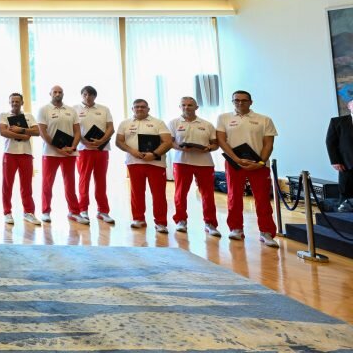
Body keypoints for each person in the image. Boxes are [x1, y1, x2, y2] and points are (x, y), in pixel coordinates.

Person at [216, 90, 279, 248]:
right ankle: (236, 228)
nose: (240, 103)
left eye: (244, 100)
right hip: (234, 164)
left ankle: (266, 232)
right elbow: (222, 141)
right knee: (234, 196)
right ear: (233, 102)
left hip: (258, 165)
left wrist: (260, 162)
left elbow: (268, 144)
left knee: (262, 199)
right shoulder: (223, 118)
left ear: (251, 102)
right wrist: (236, 159)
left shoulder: (264, 119)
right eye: (236, 100)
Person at [115, 99, 173, 233]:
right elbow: (119, 142)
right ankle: (138, 219)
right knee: (136, 192)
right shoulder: (125, 123)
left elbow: (168, 142)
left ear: (148, 109)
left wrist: (154, 154)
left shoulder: (158, 123)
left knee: (158, 194)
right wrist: (132, 151)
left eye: (142, 107)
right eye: (136, 107)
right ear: (132, 109)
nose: (139, 109)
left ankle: (161, 222)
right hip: (134, 162)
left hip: (156, 163)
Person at [170, 96, 220, 236]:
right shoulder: (173, 123)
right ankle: (181, 220)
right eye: (184, 105)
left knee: (208, 194)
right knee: (180, 193)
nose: (186, 107)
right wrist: (180, 148)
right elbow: (170, 142)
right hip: (182, 162)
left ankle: (210, 223)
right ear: (180, 107)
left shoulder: (207, 124)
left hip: (205, 163)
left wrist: (209, 148)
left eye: (190, 105)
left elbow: (215, 144)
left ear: (196, 107)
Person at [37, 85, 88, 224]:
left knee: (70, 183)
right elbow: (43, 132)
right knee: (47, 184)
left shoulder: (71, 110)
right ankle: (46, 211)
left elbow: (77, 131)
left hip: (69, 153)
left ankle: (74, 212)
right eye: (55, 92)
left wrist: (73, 147)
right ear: (50, 94)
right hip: (50, 153)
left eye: (60, 92)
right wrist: (57, 148)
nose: (57, 94)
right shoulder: (43, 110)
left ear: (63, 94)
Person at [0, 92, 41, 226]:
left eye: (17, 101)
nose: (15, 103)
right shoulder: (4, 115)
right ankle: (7, 212)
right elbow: (3, 132)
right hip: (9, 154)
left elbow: (37, 132)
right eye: (12, 101)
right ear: (9, 102)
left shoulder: (29, 116)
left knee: (26, 185)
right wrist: (25, 135)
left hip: (26, 154)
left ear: (22, 103)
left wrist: (20, 129)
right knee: (7, 184)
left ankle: (28, 212)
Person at [75, 86, 116, 224]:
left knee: (101, 180)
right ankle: (83, 209)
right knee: (84, 180)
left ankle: (103, 211)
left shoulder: (104, 109)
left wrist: (102, 140)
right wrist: (83, 141)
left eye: (91, 95)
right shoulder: (75, 109)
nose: (88, 97)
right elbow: (74, 129)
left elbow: (111, 128)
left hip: (101, 150)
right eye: (85, 94)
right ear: (82, 95)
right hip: (83, 150)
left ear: (95, 96)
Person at [325, 100, 353, 212]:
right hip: (347, 164)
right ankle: (343, 215)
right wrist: (335, 161)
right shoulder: (337, 122)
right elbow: (330, 142)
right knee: (346, 191)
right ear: (349, 106)